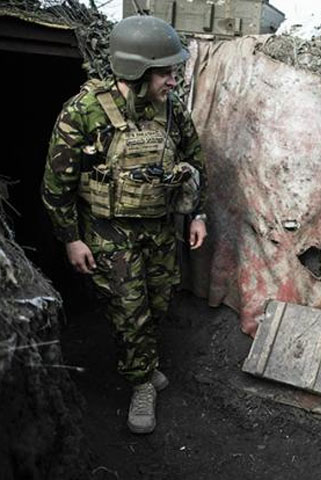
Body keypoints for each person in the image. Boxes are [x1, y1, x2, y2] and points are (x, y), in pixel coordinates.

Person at [42, 15, 207, 434]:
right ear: (136, 71)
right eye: (165, 72)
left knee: (157, 304)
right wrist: (71, 239)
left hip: (160, 229)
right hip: (108, 233)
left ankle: (145, 364)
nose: (174, 80)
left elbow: (194, 161)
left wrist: (196, 213)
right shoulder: (85, 112)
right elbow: (55, 183)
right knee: (128, 312)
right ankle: (140, 384)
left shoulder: (172, 111)